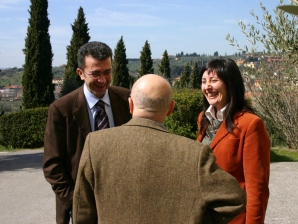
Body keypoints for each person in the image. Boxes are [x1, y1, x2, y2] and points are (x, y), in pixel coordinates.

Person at [72, 74, 246, 224]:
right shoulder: (194, 153)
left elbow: (83, 211)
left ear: (130, 105)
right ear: (171, 108)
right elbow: (235, 199)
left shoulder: (96, 144)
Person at [43, 41, 132, 224]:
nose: (103, 80)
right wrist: (76, 204)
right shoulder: (61, 110)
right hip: (79, 211)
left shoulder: (127, 100)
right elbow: (53, 167)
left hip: (124, 205)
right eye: (95, 74)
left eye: (107, 72)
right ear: (81, 73)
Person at [196, 58, 270, 224]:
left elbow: (257, 188)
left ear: (230, 84)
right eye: (203, 81)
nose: (207, 87)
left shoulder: (250, 124)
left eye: (214, 81)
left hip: (234, 219)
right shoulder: (203, 119)